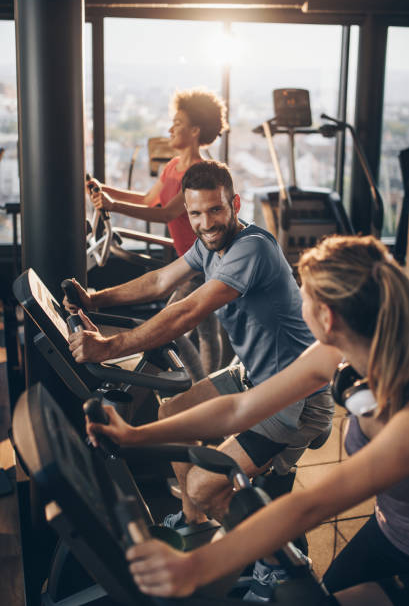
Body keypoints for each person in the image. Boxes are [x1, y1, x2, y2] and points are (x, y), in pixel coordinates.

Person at [87, 234, 409, 605]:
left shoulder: (398, 419)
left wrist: (195, 568)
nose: (295, 302)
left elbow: (311, 505)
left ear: (328, 316)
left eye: (302, 296)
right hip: (391, 528)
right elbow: (239, 408)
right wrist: (135, 435)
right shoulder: (338, 351)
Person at [67, 160, 333, 526]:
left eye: (215, 210)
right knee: (170, 412)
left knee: (201, 487)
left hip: (294, 396)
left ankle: (278, 564)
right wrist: (95, 300)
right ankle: (195, 525)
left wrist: (109, 347)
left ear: (235, 205)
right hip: (253, 376)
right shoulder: (208, 245)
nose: (206, 223)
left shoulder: (251, 249)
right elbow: (160, 281)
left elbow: (188, 311)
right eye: (195, 213)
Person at [88, 88, 229, 380]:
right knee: (206, 328)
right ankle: (211, 385)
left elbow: (166, 213)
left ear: (194, 130)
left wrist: (114, 205)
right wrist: (104, 189)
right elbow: (146, 199)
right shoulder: (173, 166)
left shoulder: (199, 173)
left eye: (177, 123)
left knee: (171, 330)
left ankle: (200, 388)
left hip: (204, 262)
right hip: (190, 259)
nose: (170, 128)